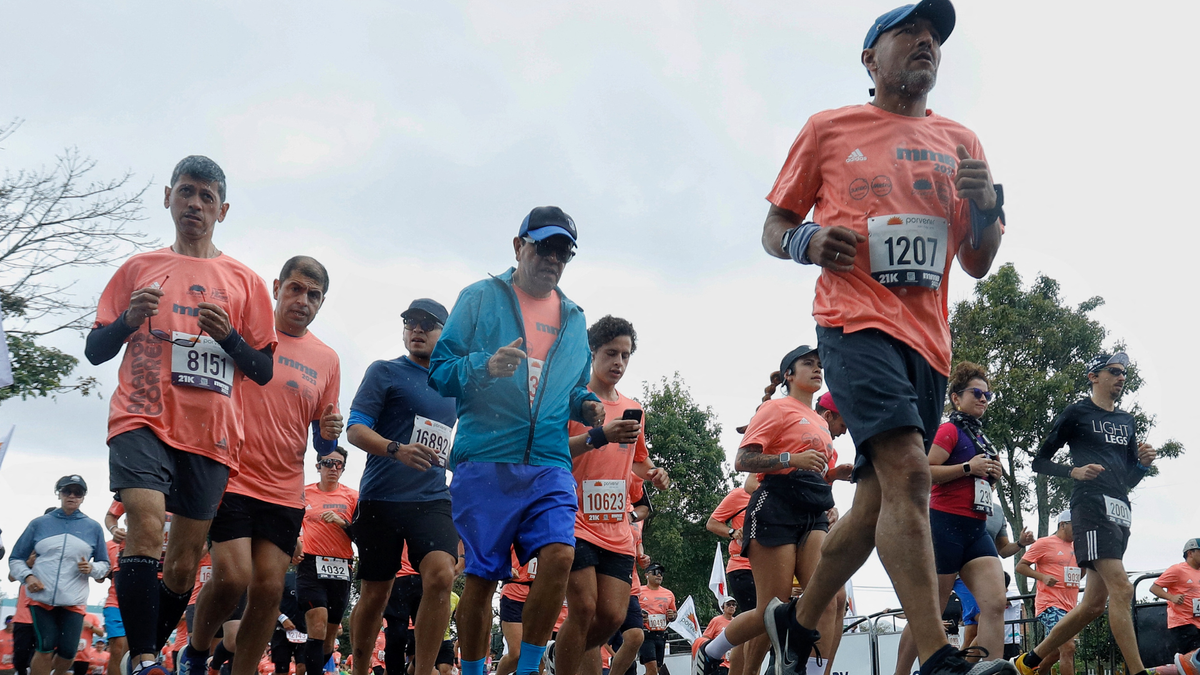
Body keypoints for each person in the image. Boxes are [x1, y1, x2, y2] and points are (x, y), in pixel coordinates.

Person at [757, 0, 1009, 668]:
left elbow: (977, 262)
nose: (926, 43)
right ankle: (935, 654)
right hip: (852, 319)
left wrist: (987, 207)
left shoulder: (963, 142)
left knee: (876, 503)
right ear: (871, 58)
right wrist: (808, 240)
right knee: (908, 474)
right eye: (909, 34)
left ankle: (798, 623)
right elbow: (774, 227)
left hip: (927, 343)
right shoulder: (830, 128)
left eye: (934, 38)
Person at [84, 155, 278, 675]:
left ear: (223, 209)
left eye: (207, 197)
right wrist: (129, 319)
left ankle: (150, 652)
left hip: (210, 434)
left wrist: (230, 337)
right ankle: (145, 659)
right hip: (141, 416)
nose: (195, 203)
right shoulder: (138, 269)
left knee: (185, 563)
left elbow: (261, 369)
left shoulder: (245, 282)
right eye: (187, 192)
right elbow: (95, 350)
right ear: (168, 196)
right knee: (146, 526)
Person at [428, 206, 604, 675]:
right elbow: (440, 372)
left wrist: (585, 406)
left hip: (549, 461)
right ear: (518, 246)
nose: (553, 258)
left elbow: (573, 389)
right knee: (483, 580)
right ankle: (471, 671)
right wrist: (485, 365)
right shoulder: (480, 297)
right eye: (544, 246)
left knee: (561, 555)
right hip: (486, 459)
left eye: (563, 252)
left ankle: (527, 669)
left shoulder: (574, 317)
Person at [181, 256, 342, 675]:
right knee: (233, 577)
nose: (302, 300)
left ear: (322, 303)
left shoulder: (328, 359)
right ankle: (196, 651)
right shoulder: (246, 334)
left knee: (269, 591)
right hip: (232, 475)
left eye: (313, 295)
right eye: (295, 288)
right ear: (276, 287)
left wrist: (328, 431)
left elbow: (325, 443)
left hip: (285, 489)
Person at [694, 347, 852, 675]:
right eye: (808, 364)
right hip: (775, 507)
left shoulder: (821, 425)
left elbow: (814, 471)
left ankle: (805, 670)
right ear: (789, 375)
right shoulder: (776, 409)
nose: (817, 369)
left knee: (829, 597)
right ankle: (711, 651)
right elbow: (744, 462)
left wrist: (835, 475)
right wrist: (789, 460)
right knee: (772, 608)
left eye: (820, 364)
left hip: (814, 514)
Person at [1013, 352, 1157, 675]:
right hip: (1090, 507)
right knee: (1122, 587)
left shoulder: (1127, 422)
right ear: (1094, 376)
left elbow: (1127, 480)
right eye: (1114, 371)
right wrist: (1073, 471)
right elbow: (1039, 461)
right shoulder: (1077, 413)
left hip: (1120, 512)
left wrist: (1143, 466)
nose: (1121, 377)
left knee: (1092, 604)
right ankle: (1138, 671)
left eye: (1124, 373)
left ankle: (1029, 661)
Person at [551, 316, 671, 675]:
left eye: (626, 355)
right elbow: (554, 451)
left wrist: (655, 473)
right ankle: (567, 663)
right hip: (576, 519)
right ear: (592, 353)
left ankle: (561, 655)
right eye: (611, 353)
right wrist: (600, 433)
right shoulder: (574, 403)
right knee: (584, 608)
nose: (618, 362)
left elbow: (639, 462)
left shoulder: (634, 408)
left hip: (616, 526)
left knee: (615, 616)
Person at [346, 298, 459, 675]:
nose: (418, 329)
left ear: (445, 334)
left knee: (443, 574)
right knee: (376, 593)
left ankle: (422, 670)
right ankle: (360, 667)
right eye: (411, 322)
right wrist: (396, 450)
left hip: (431, 498)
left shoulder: (455, 385)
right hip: (382, 497)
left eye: (429, 324)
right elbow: (356, 429)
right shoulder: (385, 372)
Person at [891, 363, 1008, 671]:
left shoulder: (982, 437)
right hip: (944, 525)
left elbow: (978, 479)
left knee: (995, 603)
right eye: (977, 393)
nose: (983, 399)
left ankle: (991, 668)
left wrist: (991, 473)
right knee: (931, 610)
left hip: (977, 529)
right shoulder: (949, 430)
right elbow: (925, 472)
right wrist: (969, 468)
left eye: (988, 395)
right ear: (957, 398)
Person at [7, 476, 111, 675]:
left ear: (83, 497)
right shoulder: (39, 524)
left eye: (77, 492)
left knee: (69, 652)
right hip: (41, 599)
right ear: (59, 494)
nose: (72, 496)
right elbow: (16, 558)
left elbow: (104, 565)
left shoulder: (93, 527)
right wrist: (28, 577)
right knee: (44, 648)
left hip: (73, 600)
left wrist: (92, 569)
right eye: (67, 491)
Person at [297, 447, 358, 675]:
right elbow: (291, 523)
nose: (333, 468)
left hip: (342, 566)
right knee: (318, 624)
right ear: (318, 466)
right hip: (311, 563)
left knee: (328, 639)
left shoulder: (353, 497)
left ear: (343, 469)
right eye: (328, 463)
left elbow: (363, 535)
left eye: (338, 464)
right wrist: (296, 542)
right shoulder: (304, 493)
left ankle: (310, 668)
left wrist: (342, 523)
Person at [707, 476, 760, 675]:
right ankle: (713, 650)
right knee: (757, 620)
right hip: (742, 565)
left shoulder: (777, 495)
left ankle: (716, 652)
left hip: (769, 568)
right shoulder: (739, 494)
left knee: (758, 626)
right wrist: (732, 532)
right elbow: (712, 523)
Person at [1013, 513, 1077, 675]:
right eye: (1075, 524)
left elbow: (1079, 572)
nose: (1079, 529)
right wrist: (1042, 577)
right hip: (1050, 604)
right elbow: (1021, 566)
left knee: (1055, 651)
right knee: (1068, 647)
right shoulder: (1044, 543)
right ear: (1063, 524)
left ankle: (1031, 670)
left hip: (1071, 606)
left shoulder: (1078, 546)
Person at [1150, 539, 1200, 667]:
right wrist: (1171, 597)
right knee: (1194, 660)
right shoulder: (1177, 570)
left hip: (1197, 622)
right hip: (1183, 622)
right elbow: (1154, 587)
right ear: (1190, 553)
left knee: (1194, 662)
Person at [638, 563, 676, 675]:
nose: (659, 575)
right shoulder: (639, 591)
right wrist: (639, 618)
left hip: (661, 635)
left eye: (661, 573)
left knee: (657, 670)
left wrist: (672, 616)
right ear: (646, 575)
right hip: (645, 634)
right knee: (652, 668)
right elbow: (629, 610)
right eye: (655, 572)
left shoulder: (668, 593)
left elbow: (673, 613)